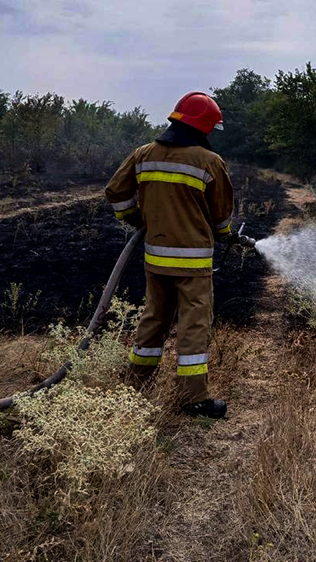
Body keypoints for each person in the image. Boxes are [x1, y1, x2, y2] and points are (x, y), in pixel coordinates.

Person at [104, 91, 234, 419]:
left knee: (154, 319)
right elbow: (221, 216)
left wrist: (137, 219)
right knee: (194, 324)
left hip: (155, 258)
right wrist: (223, 235)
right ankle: (193, 398)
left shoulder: (144, 155)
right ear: (203, 127)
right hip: (193, 262)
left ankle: (135, 385)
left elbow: (116, 192)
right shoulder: (209, 162)